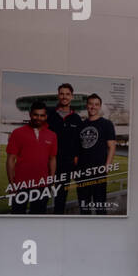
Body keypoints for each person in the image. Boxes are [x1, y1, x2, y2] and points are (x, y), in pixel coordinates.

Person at [5, 101, 57, 215]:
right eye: (35, 115)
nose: (38, 118)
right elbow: (10, 159)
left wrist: (51, 180)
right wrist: (11, 184)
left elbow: (52, 159)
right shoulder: (17, 133)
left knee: (38, 218)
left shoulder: (52, 135)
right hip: (20, 185)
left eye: (42, 115)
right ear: (30, 114)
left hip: (42, 185)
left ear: (46, 116)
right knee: (17, 216)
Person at [75, 93, 117, 215]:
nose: (93, 107)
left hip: (99, 171)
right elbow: (78, 149)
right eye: (91, 104)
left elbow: (112, 146)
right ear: (87, 106)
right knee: (84, 208)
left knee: (100, 207)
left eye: (96, 104)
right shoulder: (81, 125)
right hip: (83, 172)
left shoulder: (106, 124)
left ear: (100, 107)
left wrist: (107, 166)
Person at [45, 82, 82, 215]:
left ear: (72, 96)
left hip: (67, 163)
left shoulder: (76, 118)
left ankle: (57, 222)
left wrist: (76, 157)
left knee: (61, 197)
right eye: (61, 94)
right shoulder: (48, 114)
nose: (64, 96)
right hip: (48, 161)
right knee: (42, 195)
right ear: (58, 95)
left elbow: (79, 141)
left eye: (67, 94)